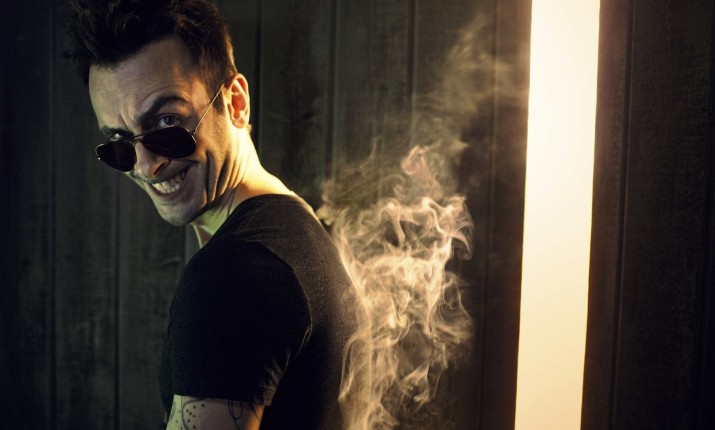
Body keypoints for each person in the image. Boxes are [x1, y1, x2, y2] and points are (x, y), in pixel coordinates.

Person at [68, 1, 356, 428]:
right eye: (120, 143)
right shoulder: (296, 228)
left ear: (235, 102)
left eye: (167, 123)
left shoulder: (236, 271)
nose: (146, 167)